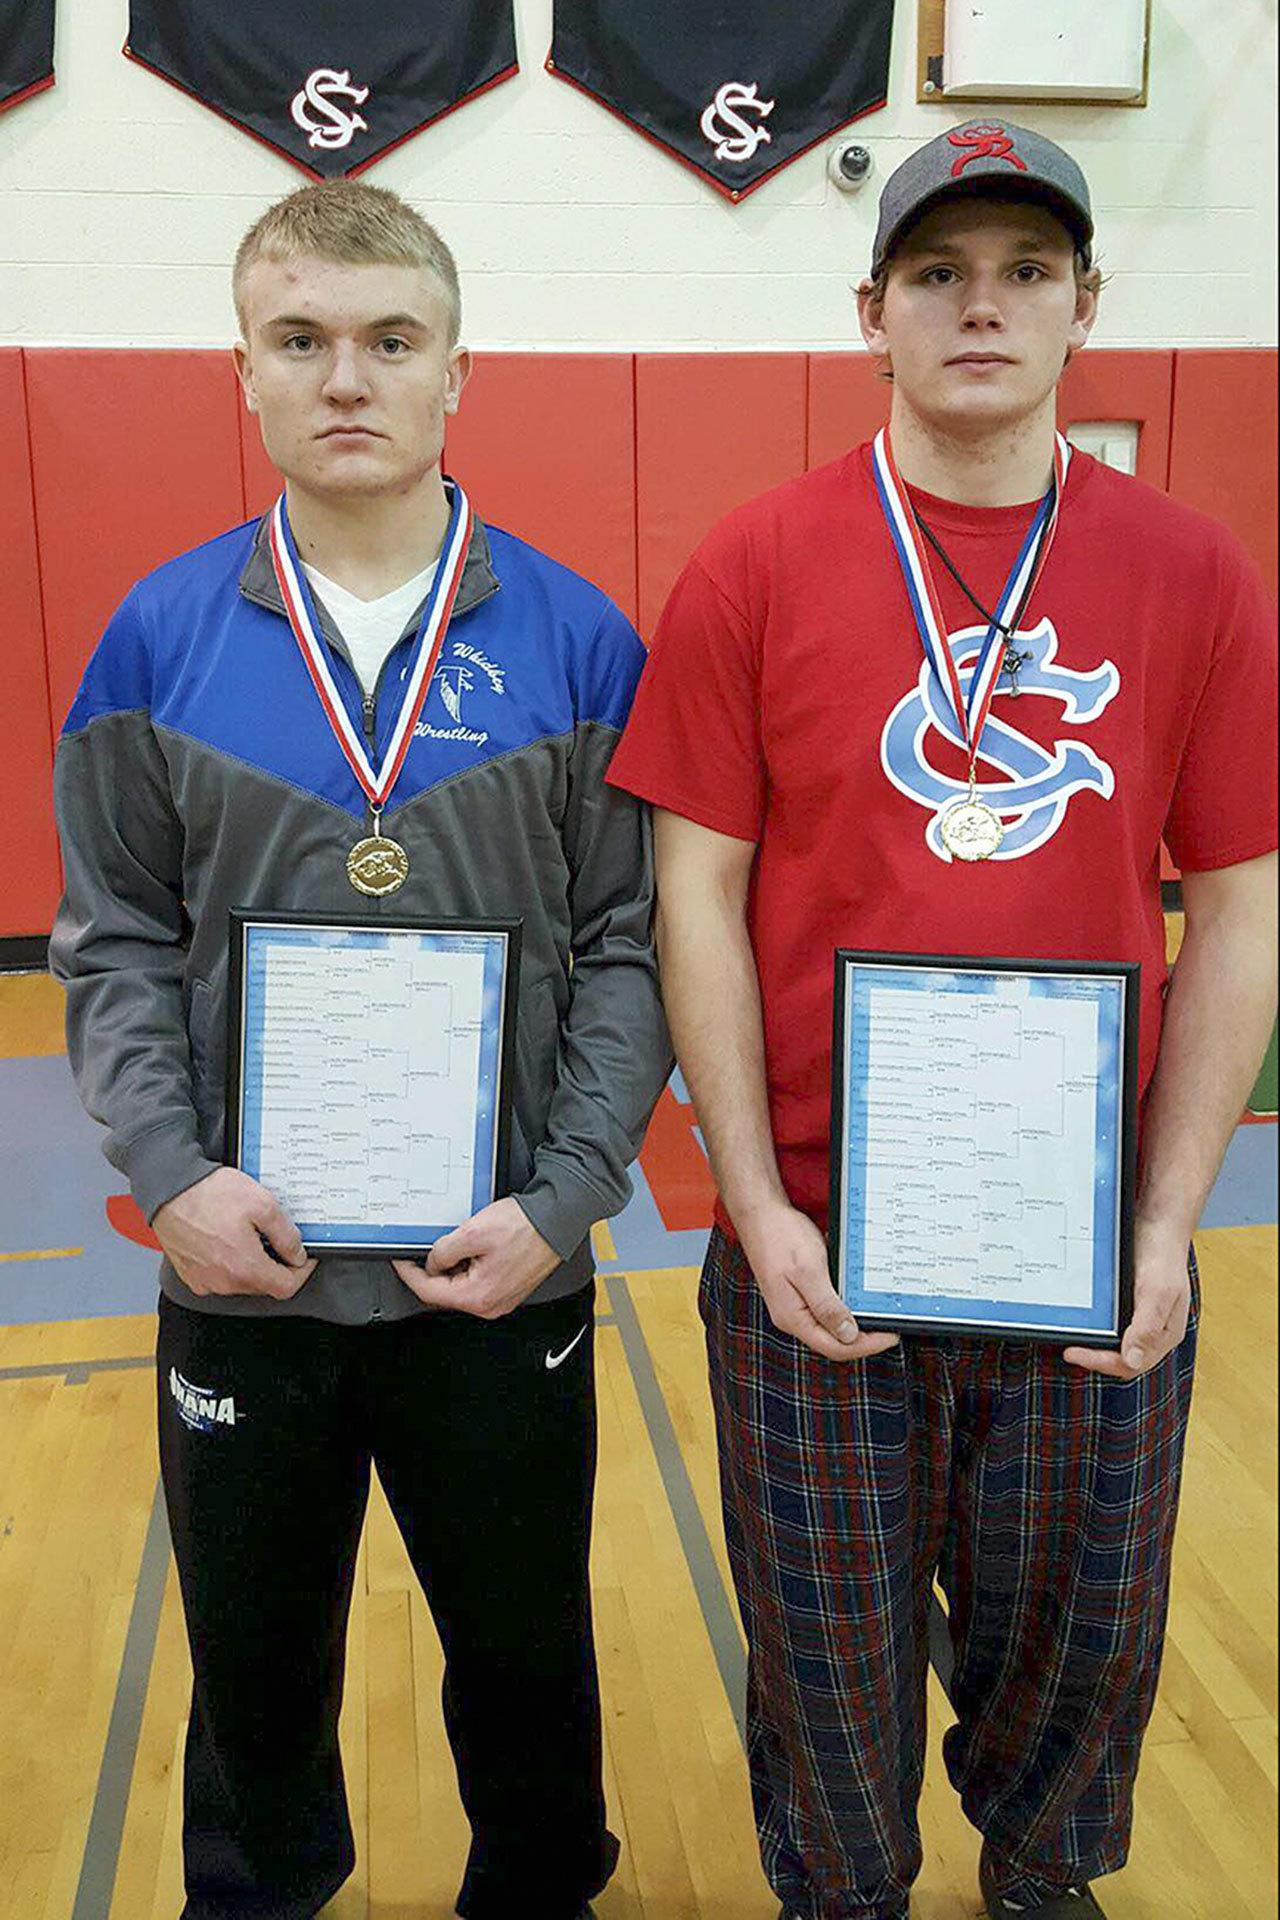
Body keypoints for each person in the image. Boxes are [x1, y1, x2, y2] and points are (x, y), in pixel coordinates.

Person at [606, 121, 1278, 1920]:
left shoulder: (1196, 577)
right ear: (872, 311)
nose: (981, 307)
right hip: (818, 1242)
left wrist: (1167, 1220)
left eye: (1024, 274)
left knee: (1086, 1666)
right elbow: (696, 902)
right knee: (824, 1692)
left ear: (1083, 311)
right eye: (937, 274)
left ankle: (1042, 1890)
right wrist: (749, 1204)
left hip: (1081, 1250)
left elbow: (1241, 909)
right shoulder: (755, 563)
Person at [50, 179, 670, 1920]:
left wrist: (567, 1196)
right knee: (251, 1683)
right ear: (240, 370)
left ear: (457, 370)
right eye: (301, 340)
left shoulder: (576, 641)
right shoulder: (156, 643)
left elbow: (630, 949)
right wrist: (170, 1180)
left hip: (508, 1278)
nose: (347, 378)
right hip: (250, 1280)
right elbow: (112, 949)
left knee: (531, 1667)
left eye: (390, 341)